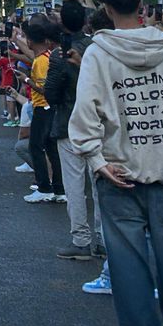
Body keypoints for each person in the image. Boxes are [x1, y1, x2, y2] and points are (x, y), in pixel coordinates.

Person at [68, 0, 163, 326]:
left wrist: (97, 161)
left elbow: (84, 116)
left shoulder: (98, 54)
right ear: (141, 4)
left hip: (120, 179)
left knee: (130, 278)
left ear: (107, 8)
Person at [45, 35, 102, 260]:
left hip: (68, 124)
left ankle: (81, 240)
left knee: (74, 186)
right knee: (100, 184)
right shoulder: (98, 48)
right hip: (99, 123)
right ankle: (103, 239)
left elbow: (51, 93)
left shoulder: (59, 56)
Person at [17, 17, 65, 204]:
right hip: (46, 107)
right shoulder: (44, 58)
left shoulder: (41, 61)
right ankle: (59, 188)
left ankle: (45, 186)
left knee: (36, 147)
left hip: (43, 107)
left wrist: (26, 80)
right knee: (51, 149)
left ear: (30, 41)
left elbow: (45, 88)